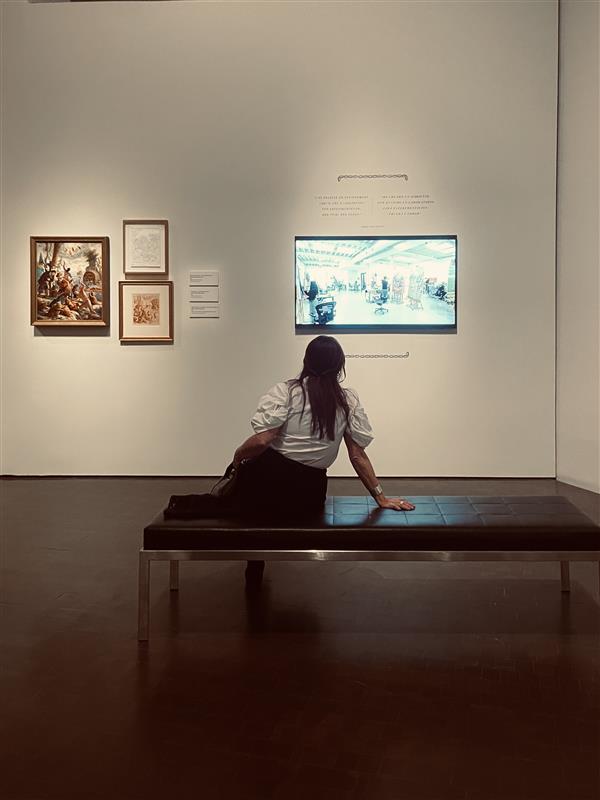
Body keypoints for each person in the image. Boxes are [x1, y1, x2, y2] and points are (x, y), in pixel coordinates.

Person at [228, 335, 415, 517]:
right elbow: (357, 456)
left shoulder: (286, 392)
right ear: (340, 366)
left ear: (306, 361)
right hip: (309, 494)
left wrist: (237, 457)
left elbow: (262, 441)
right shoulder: (347, 400)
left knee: (216, 503)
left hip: (267, 484)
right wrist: (381, 497)